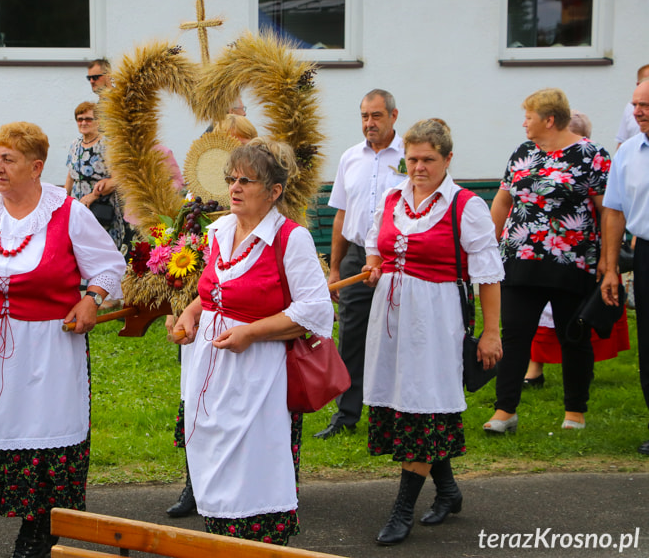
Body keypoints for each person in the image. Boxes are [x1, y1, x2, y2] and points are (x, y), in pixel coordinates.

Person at [0, 122, 125, 557]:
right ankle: (29, 527)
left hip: (48, 352)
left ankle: (38, 534)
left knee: (46, 435)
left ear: (36, 168)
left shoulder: (67, 212)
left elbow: (111, 267)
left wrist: (92, 299)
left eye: (8, 160)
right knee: (0, 435)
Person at [172, 138, 333, 545]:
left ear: (274, 191)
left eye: (247, 180)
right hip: (212, 370)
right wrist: (192, 314)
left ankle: (259, 548)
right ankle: (221, 544)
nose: (235, 188)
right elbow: (213, 291)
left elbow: (315, 312)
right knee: (214, 467)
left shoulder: (289, 239)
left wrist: (250, 332)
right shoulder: (221, 231)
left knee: (253, 472)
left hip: (260, 376)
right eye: (231, 179)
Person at [362, 119, 503, 545]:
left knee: (424, 405)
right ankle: (448, 490)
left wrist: (492, 333)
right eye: (412, 159)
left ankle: (403, 510)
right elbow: (375, 243)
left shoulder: (465, 205)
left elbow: (489, 274)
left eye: (428, 159)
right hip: (391, 319)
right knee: (411, 405)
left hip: (436, 319)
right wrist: (373, 266)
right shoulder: (392, 198)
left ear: (448, 160)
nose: (418, 167)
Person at [488, 88, 610, 433]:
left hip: (571, 261)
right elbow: (502, 201)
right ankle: (504, 411)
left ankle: (575, 412)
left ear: (550, 120)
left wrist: (609, 259)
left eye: (529, 116)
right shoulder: (524, 152)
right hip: (519, 258)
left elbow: (607, 210)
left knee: (573, 336)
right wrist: (487, 244)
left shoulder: (591, 155)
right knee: (514, 335)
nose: (524, 123)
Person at [314, 88, 406, 440]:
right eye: (365, 116)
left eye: (377, 116)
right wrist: (335, 268)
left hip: (397, 256)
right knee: (351, 335)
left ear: (394, 116)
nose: (369, 123)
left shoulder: (409, 158)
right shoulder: (351, 157)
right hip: (355, 255)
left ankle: (396, 414)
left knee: (395, 333)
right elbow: (340, 215)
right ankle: (347, 414)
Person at [524, 110, 629, 387]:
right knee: (539, 315)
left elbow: (608, 211)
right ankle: (534, 369)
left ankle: (579, 373)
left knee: (577, 316)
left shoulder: (593, 163)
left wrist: (608, 257)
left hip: (580, 254)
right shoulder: (532, 159)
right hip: (539, 254)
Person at [601, 79, 649, 456]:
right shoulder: (629, 152)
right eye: (635, 104)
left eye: (645, 104)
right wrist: (611, 266)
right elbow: (614, 211)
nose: (638, 111)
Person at [65, 101, 130, 254]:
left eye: (88, 119)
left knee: (103, 252)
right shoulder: (75, 144)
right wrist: (63, 200)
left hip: (103, 210)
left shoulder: (107, 144)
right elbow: (70, 175)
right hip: (79, 208)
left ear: (98, 121)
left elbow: (119, 177)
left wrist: (93, 195)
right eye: (80, 119)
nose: (83, 122)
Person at [615, 64, 649, 149]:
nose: (637, 113)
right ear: (638, 84)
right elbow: (622, 141)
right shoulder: (630, 108)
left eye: (645, 105)